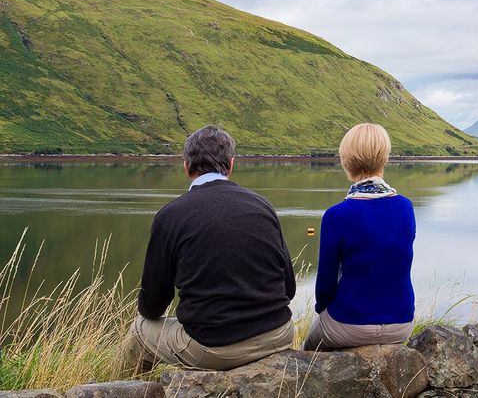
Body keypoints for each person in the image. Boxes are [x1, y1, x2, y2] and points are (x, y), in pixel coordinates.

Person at [123, 125, 296, 372]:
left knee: (139, 331)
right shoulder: (262, 206)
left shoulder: (170, 216)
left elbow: (152, 306)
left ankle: (133, 389)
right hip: (278, 334)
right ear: (231, 164)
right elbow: (288, 289)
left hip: (214, 346)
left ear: (186, 166)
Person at [303, 123, 415, 351]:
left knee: (309, 349)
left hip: (349, 322)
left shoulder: (337, 215)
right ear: (385, 159)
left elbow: (325, 286)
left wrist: (324, 312)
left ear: (346, 161)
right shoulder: (406, 207)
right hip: (401, 323)